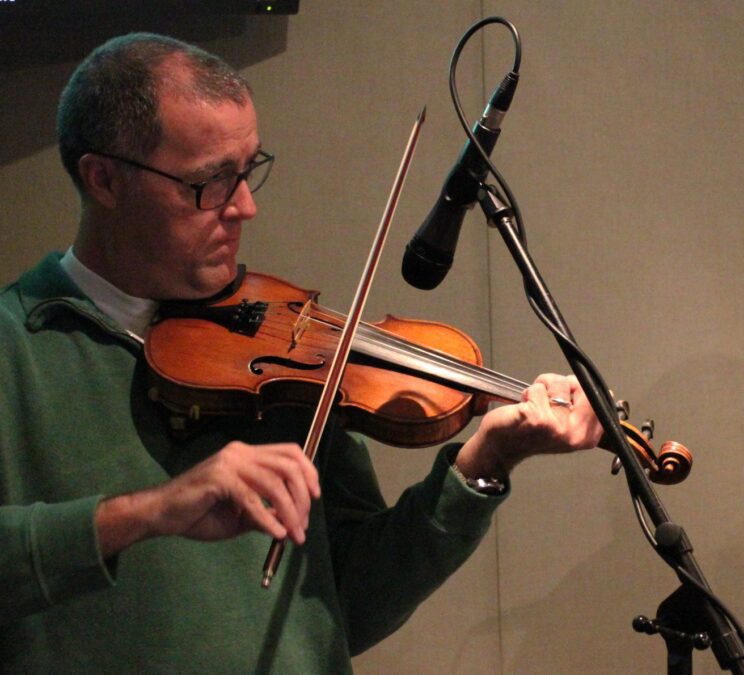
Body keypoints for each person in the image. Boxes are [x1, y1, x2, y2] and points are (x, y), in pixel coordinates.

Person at [0, 33, 602, 673]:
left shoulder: (286, 360)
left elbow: (350, 606)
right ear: (105, 180)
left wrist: (483, 463)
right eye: (209, 183)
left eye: (249, 169)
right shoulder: (16, 346)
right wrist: (148, 512)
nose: (245, 207)